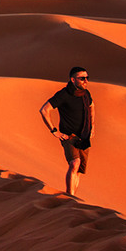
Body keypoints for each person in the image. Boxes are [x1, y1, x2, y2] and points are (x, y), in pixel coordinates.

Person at [40, 66, 94, 197]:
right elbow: (44, 110)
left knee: (79, 170)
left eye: (87, 78)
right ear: (73, 79)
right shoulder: (63, 94)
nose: (86, 81)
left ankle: (73, 196)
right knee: (75, 163)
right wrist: (54, 131)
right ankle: (69, 197)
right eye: (82, 78)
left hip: (84, 136)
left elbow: (92, 106)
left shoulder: (86, 94)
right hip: (68, 136)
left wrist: (93, 125)